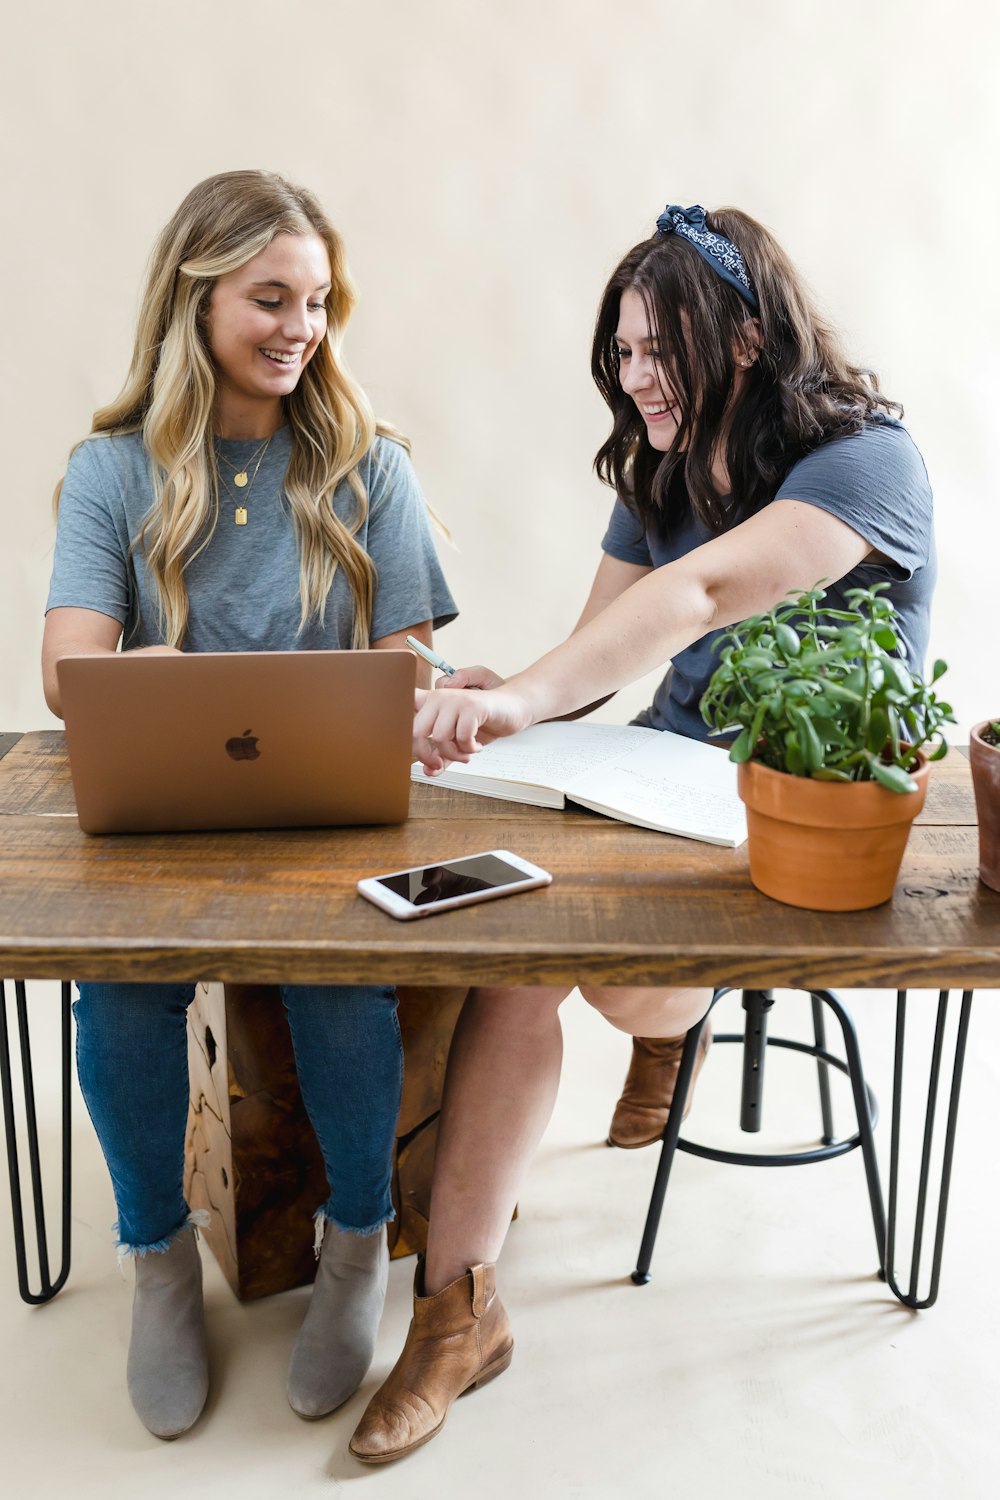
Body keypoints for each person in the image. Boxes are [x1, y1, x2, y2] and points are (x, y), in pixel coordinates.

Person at [348, 202, 935, 1463]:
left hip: (792, 830)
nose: (635, 377)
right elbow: (602, 654)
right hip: (661, 790)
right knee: (517, 944)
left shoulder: (864, 464)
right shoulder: (658, 471)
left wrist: (517, 700)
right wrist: (502, 701)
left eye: (660, 347)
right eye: (621, 351)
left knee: (577, 959)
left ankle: (673, 1036)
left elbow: (701, 593)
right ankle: (457, 1314)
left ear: (742, 341)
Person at [41, 170, 456, 1440]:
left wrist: (433, 688)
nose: (299, 327)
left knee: (342, 981)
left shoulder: (369, 467)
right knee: (118, 984)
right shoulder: (112, 471)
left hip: (324, 821)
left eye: (318, 301)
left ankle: (353, 1251)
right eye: (269, 297)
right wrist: (139, 678)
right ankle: (158, 1262)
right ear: (195, 296)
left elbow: (414, 663)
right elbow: (68, 672)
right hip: (161, 818)